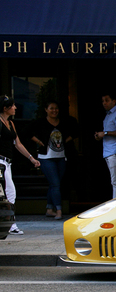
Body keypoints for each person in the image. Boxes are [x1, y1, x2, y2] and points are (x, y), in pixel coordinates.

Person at [29, 101, 78, 219]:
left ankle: (49, 209)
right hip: (46, 158)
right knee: (55, 184)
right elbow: (27, 132)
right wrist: (40, 142)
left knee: (54, 184)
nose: (54, 110)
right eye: (51, 108)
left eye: (56, 108)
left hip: (61, 157)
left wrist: (65, 142)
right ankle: (59, 210)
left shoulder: (63, 122)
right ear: (46, 109)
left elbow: (76, 131)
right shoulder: (41, 122)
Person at [0, 95, 41, 235]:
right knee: (10, 192)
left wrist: (31, 158)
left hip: (7, 163)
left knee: (8, 193)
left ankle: (8, 223)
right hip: (0, 162)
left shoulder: (11, 124)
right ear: (5, 108)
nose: (15, 108)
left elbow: (18, 144)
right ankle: (10, 225)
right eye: (12, 106)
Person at [94, 93, 116, 198]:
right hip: (110, 152)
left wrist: (105, 133)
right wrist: (101, 135)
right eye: (103, 101)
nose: (104, 103)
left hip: (115, 152)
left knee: (115, 182)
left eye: (107, 100)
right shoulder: (108, 115)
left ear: (114, 101)